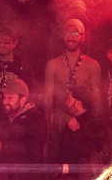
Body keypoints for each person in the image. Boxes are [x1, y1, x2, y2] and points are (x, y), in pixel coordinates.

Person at [43, 18, 102, 162]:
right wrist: (47, 126)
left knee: (82, 164)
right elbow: (48, 97)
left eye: (75, 33)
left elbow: (97, 98)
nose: (70, 37)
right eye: (67, 33)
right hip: (59, 122)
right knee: (57, 165)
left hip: (83, 125)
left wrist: (95, 127)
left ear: (83, 36)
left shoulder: (92, 65)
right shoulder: (53, 65)